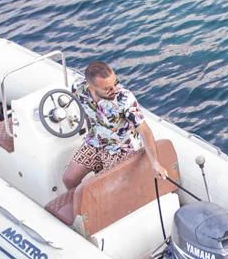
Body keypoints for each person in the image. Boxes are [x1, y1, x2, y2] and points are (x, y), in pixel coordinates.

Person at [48, 60, 159, 225]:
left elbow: (145, 131)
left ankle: (92, 220)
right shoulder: (79, 89)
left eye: (115, 83)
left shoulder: (124, 98)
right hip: (95, 142)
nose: (114, 89)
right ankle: (85, 210)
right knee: (69, 179)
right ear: (91, 87)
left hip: (121, 148)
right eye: (107, 88)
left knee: (85, 190)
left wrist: (154, 162)